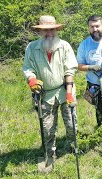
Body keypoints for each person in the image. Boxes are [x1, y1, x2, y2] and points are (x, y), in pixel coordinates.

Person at [22, 15, 78, 161]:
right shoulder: (32, 47)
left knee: (71, 124)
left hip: (65, 89)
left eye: (52, 30)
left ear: (56, 30)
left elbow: (70, 70)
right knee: (47, 128)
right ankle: (50, 153)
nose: (50, 33)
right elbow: (28, 68)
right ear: (40, 31)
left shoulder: (64, 46)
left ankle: (74, 145)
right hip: (44, 93)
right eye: (46, 30)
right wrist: (32, 79)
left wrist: (70, 94)